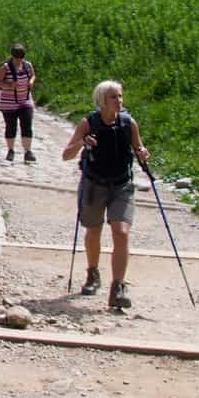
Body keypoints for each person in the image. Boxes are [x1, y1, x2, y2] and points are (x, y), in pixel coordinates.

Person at [62, 80, 150, 311]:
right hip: (95, 184)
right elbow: (66, 155)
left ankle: (118, 286)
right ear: (102, 100)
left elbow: (139, 149)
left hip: (121, 184)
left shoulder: (129, 123)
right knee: (93, 231)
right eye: (114, 97)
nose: (119, 101)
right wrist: (83, 142)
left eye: (120, 96)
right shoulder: (88, 123)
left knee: (121, 232)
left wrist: (142, 154)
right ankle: (93, 274)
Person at [0, 44, 37, 164]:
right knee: (11, 127)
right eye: (17, 57)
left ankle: (28, 151)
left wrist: (31, 81)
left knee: (27, 125)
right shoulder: (5, 67)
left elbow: (33, 75)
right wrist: (8, 85)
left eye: (21, 57)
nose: (19, 59)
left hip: (26, 100)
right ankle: (11, 150)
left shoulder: (27, 65)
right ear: (12, 56)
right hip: (9, 102)